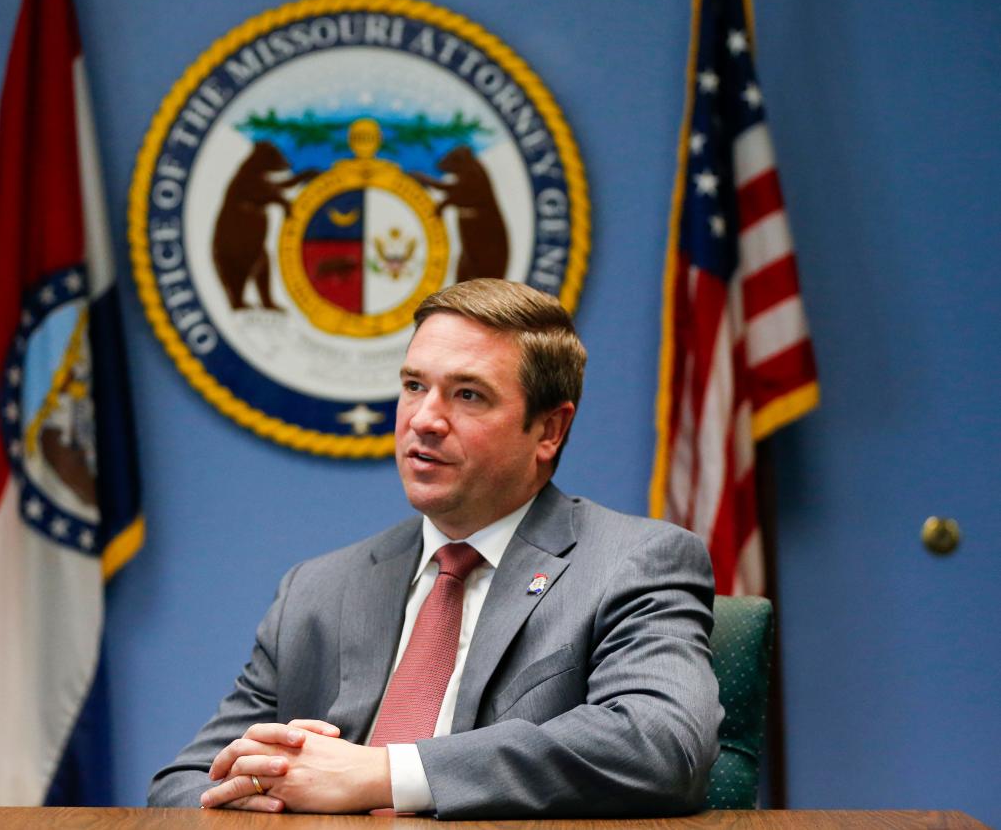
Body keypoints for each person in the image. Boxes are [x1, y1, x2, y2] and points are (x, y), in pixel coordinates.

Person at [148, 279, 722, 818]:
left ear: (549, 430)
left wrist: (383, 773)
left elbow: (662, 740)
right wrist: (262, 790)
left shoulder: (634, 562)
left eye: (468, 395)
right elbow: (185, 782)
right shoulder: (317, 589)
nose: (423, 420)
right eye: (414, 386)